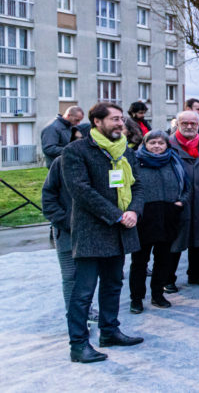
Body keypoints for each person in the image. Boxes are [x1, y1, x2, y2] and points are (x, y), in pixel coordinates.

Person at [60, 102, 145, 363]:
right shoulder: (76, 151)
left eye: (121, 119)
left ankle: (109, 331)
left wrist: (133, 211)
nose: (121, 124)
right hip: (92, 232)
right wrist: (117, 215)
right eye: (115, 119)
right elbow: (81, 191)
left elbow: (139, 185)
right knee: (83, 291)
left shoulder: (126, 153)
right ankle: (78, 345)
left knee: (113, 285)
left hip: (120, 233)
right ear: (97, 122)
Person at [129, 131, 188, 313]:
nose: (156, 146)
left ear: (167, 145)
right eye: (152, 142)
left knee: (163, 260)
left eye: (160, 143)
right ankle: (136, 299)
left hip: (168, 215)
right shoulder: (135, 162)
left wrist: (181, 202)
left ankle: (158, 295)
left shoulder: (174, 161)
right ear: (145, 144)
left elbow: (186, 185)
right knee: (140, 261)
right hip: (143, 217)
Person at [42, 143, 97, 324]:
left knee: (88, 276)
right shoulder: (60, 163)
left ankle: (85, 310)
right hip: (67, 231)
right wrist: (64, 221)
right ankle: (74, 318)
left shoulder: (98, 161)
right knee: (70, 276)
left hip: (92, 231)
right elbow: (48, 196)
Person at [167, 110, 199, 289]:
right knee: (175, 242)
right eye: (185, 123)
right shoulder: (168, 144)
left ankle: (196, 274)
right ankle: (168, 279)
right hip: (178, 200)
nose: (189, 126)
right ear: (178, 124)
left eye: (193, 124)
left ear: (198, 124)